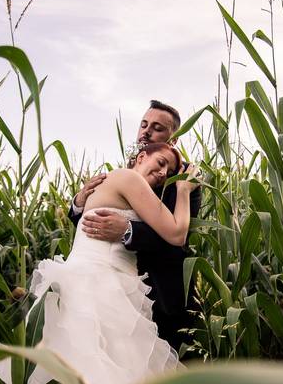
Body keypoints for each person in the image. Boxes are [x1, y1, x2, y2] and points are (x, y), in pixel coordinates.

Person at [0, 141, 199, 384]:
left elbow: (95, 217)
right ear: (142, 155)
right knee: (103, 371)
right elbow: (176, 234)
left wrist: (82, 201)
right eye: (160, 162)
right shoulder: (129, 179)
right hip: (101, 285)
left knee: (64, 367)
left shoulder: (109, 181)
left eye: (170, 171)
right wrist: (186, 190)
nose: (163, 173)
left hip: (91, 280)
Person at [71, 101, 202, 352]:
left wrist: (128, 231)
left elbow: (177, 241)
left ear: (173, 140)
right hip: (106, 283)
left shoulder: (182, 181)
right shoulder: (125, 173)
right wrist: (79, 201)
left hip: (160, 294)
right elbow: (92, 226)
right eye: (143, 125)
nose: (146, 132)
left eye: (157, 128)